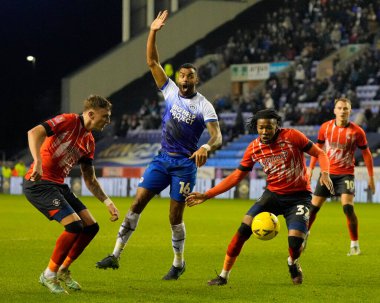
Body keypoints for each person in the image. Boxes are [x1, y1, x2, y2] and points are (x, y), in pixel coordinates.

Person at [96, 10, 222, 280]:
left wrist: (206, 148)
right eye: (183, 76)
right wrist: (153, 31)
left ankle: (178, 264)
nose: (186, 80)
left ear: (196, 80)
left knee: (174, 218)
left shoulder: (204, 106)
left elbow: (217, 136)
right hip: (163, 159)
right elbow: (152, 61)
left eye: (191, 77)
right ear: (179, 78)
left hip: (185, 165)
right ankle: (115, 255)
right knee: (137, 202)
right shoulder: (169, 91)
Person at [186, 109, 334, 286]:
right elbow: (237, 176)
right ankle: (224, 276)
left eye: (269, 128)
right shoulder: (254, 148)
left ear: (276, 126)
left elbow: (321, 153)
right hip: (272, 195)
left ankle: (292, 262)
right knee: (243, 229)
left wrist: (325, 173)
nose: (265, 132)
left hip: (299, 197)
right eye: (261, 128)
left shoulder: (292, 136)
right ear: (256, 127)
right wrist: (208, 194)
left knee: (295, 243)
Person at [23, 95, 119, 294]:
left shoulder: (89, 141)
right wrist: (37, 161)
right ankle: (49, 274)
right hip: (39, 183)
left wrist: (107, 202)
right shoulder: (68, 120)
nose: (108, 121)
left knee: (91, 226)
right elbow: (34, 132)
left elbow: (90, 179)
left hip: (58, 186)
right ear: (91, 114)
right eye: (105, 116)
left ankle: (64, 269)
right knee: (75, 225)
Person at [307, 97, 375, 256]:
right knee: (313, 208)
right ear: (334, 110)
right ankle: (304, 236)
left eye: (346, 108)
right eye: (340, 108)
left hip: (346, 174)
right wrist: (310, 169)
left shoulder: (357, 131)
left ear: (350, 111)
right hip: (327, 173)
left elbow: (367, 154)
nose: (343, 111)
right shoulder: (325, 128)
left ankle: (355, 244)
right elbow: (317, 149)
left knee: (347, 208)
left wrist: (371, 177)